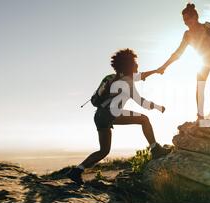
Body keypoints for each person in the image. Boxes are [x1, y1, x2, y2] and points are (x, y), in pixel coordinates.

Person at [67, 49, 169, 184]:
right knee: (144, 119)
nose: (137, 66)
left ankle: (77, 171)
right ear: (129, 66)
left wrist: (156, 71)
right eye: (135, 64)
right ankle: (155, 149)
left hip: (99, 116)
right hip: (110, 114)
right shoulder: (127, 82)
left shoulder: (110, 78)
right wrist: (156, 106)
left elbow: (140, 76)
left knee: (104, 151)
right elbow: (140, 99)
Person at [157, 3, 210, 128]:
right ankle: (200, 118)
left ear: (196, 17)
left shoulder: (207, 26)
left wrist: (208, 51)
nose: (187, 22)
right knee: (200, 88)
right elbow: (178, 53)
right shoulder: (187, 35)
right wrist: (164, 66)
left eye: (188, 19)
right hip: (203, 62)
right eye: (184, 20)